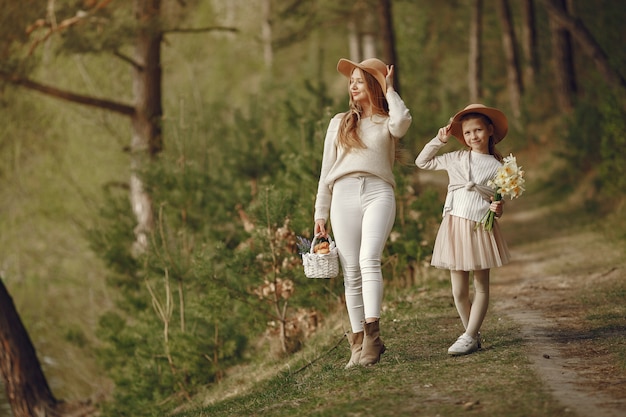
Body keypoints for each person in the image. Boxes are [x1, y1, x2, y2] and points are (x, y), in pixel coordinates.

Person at [313, 58, 412, 367]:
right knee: (350, 271)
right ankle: (356, 343)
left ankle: (373, 337)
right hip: (342, 195)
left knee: (369, 259)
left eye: (359, 80)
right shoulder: (339, 122)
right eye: (351, 81)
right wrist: (320, 213)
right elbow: (325, 171)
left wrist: (391, 89)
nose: (352, 85)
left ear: (374, 86)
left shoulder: (387, 121)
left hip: (378, 192)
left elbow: (404, 120)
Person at [415, 104, 511, 356]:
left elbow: (498, 204)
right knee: (458, 291)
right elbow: (422, 162)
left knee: (480, 286)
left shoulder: (499, 167)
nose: (473, 136)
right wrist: (439, 140)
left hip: (479, 226)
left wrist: (498, 209)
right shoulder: (456, 158)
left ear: (489, 130)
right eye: (468, 133)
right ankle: (473, 334)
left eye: (478, 130)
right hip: (454, 225)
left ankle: (468, 335)